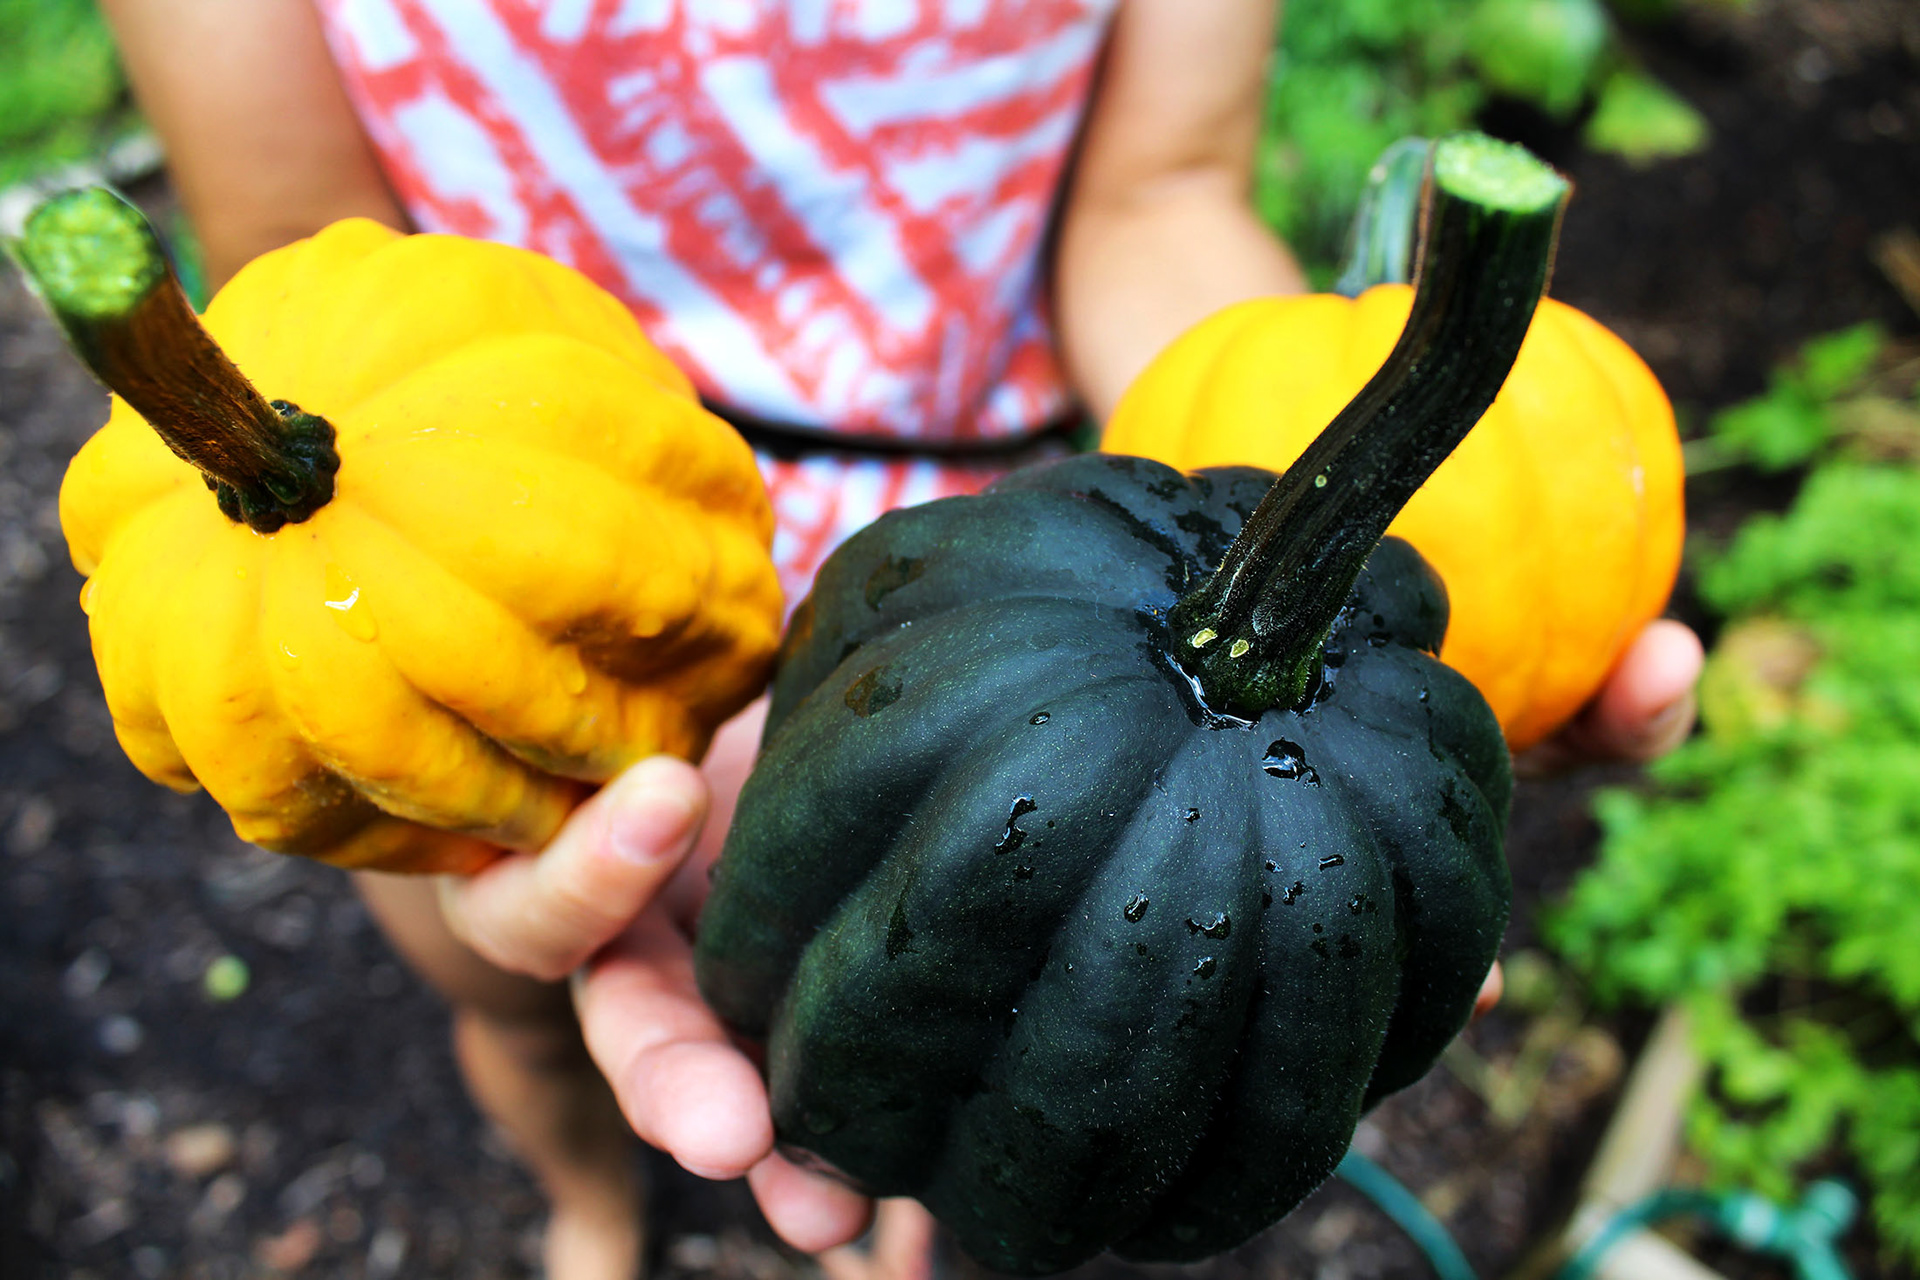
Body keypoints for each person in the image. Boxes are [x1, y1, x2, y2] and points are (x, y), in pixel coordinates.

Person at [97, 3, 1704, 1278]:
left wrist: (1304, 492)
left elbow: (1157, 195)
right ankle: (587, 1208)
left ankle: (907, 1188)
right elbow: (308, 266)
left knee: (988, 999)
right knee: (516, 995)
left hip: (1002, 578)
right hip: (505, 581)